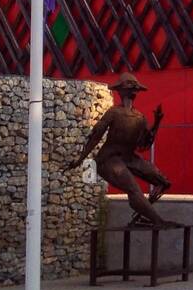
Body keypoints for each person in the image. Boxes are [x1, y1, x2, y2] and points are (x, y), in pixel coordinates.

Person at [67, 74, 175, 226]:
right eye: (131, 87)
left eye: (136, 88)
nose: (134, 91)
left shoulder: (140, 117)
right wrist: (81, 159)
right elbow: (96, 136)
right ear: (122, 90)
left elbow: (144, 144)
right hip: (109, 159)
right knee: (134, 189)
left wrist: (157, 122)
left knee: (163, 182)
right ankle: (157, 220)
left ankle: (143, 214)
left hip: (129, 158)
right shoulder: (114, 112)